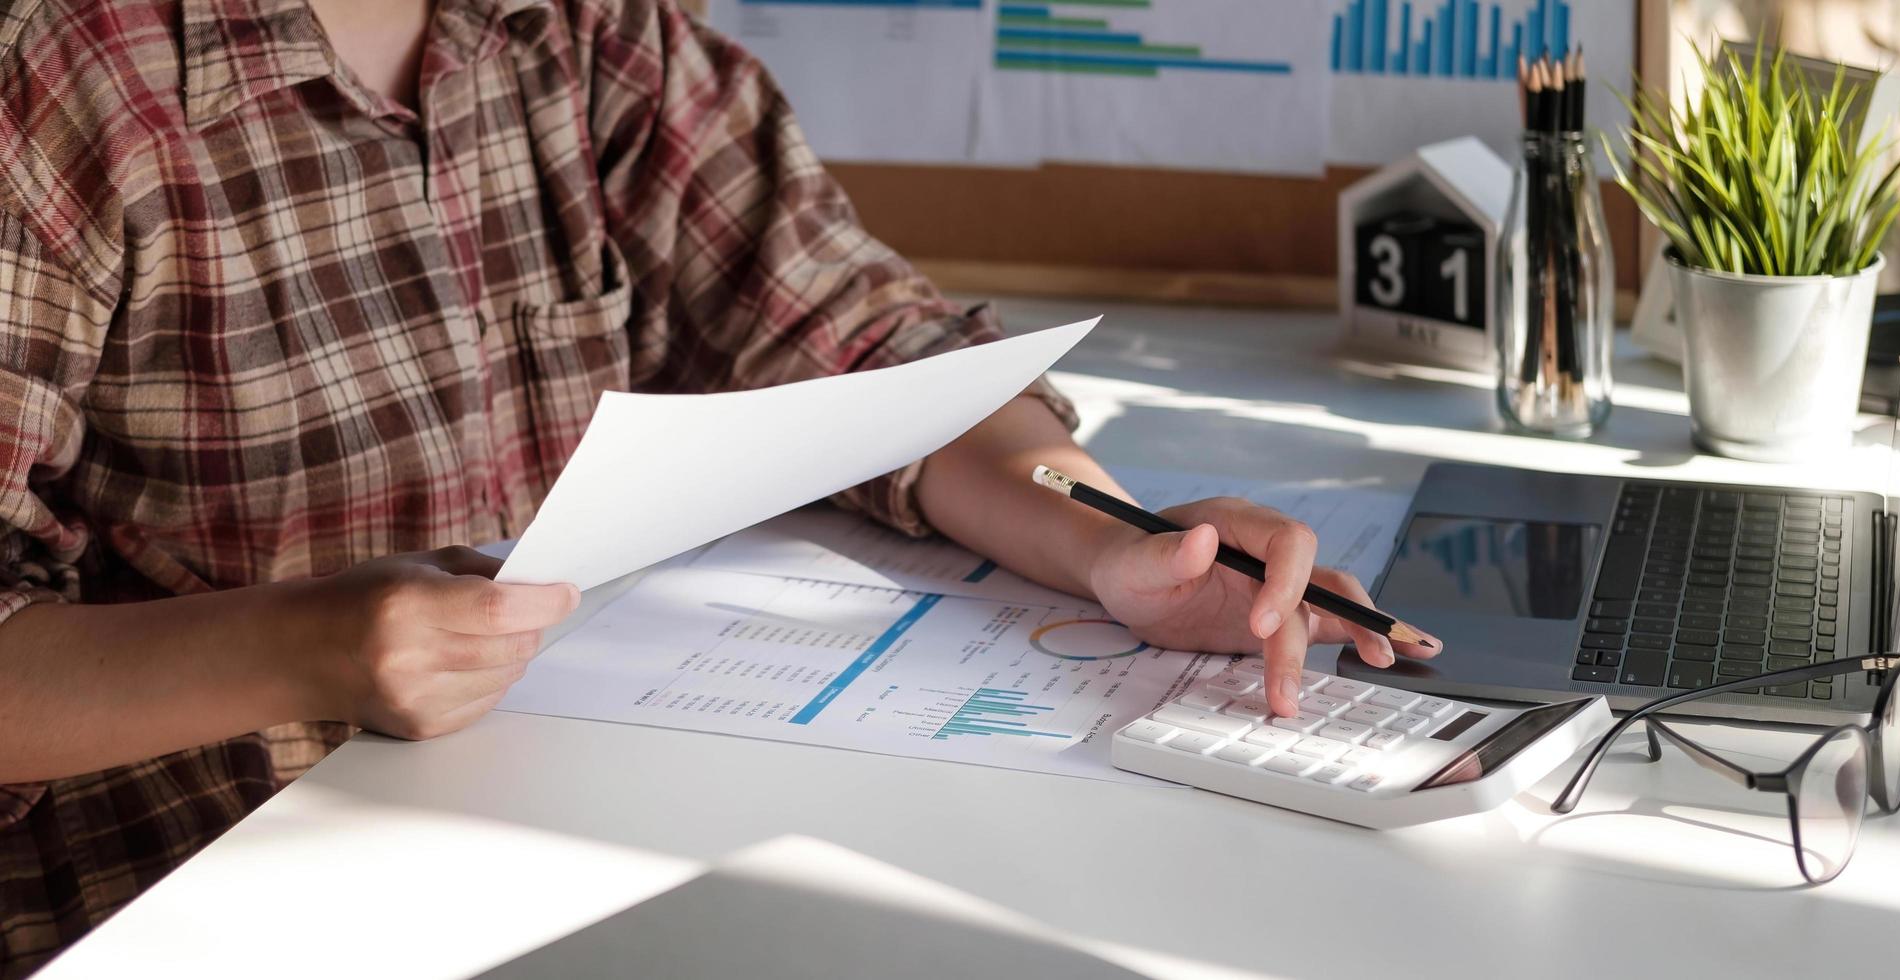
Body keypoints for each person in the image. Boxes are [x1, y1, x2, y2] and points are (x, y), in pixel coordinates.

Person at [0, 0, 1440, 971]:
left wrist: (1112, 542)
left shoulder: (585, 35)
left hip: (576, 838)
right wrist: (304, 645)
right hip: (210, 905)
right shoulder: (55, 77)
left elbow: (876, 361)